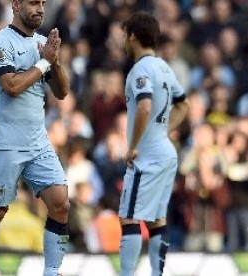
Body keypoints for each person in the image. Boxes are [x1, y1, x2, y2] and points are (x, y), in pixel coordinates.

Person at [0, 0, 71, 275]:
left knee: (60, 202)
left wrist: (57, 63)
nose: (40, 8)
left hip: (38, 142)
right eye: (33, 2)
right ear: (15, 5)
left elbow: (62, 92)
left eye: (42, 3)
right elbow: (12, 86)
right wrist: (44, 62)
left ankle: (52, 271)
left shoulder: (43, 44)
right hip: (5, 143)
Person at [118, 12, 189, 276]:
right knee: (157, 218)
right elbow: (184, 104)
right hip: (166, 152)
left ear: (133, 36)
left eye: (125, 35)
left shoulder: (141, 69)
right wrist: (162, 131)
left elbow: (145, 106)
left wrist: (134, 145)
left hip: (146, 157)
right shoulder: (164, 67)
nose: (124, 40)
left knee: (129, 216)